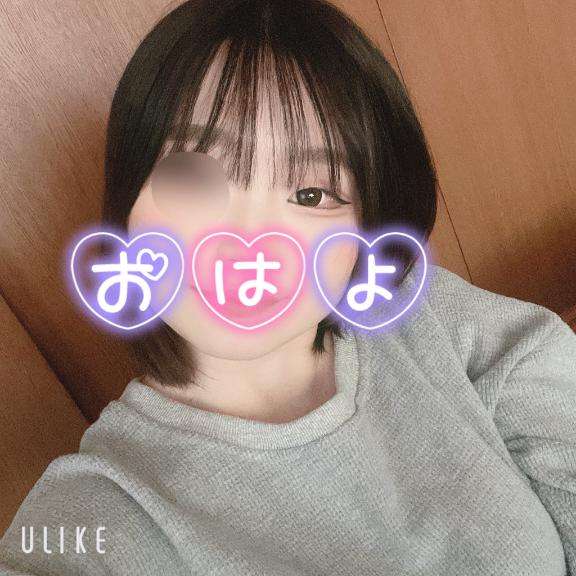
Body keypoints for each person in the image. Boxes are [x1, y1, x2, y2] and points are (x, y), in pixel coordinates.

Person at [1, 0, 575, 574]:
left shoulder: (414, 311)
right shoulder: (99, 514)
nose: (246, 244)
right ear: (127, 198)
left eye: (311, 194)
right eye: (193, 175)